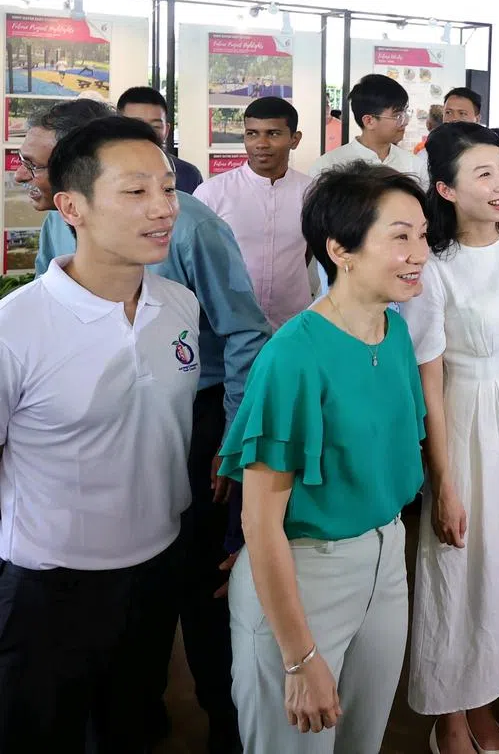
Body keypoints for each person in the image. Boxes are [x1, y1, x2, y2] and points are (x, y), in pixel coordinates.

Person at [33, 103, 270, 753]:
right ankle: (128, 714)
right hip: (102, 427)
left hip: (195, 417)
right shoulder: (56, 234)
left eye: (162, 185)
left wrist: (231, 440)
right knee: (119, 586)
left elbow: (246, 333)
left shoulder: (192, 229)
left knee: (199, 588)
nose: (34, 179)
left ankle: (226, 721)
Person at [0, 116, 200, 752]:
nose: (163, 209)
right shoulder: (17, 326)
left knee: (131, 725)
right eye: (135, 192)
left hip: (156, 566)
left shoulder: (179, 305)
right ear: (72, 208)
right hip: (48, 581)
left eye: (168, 189)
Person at [221, 165, 429, 753]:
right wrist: (298, 655)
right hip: (306, 572)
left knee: (361, 739)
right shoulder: (293, 355)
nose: (418, 253)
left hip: (387, 557)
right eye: (399, 236)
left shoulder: (393, 333)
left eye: (421, 235)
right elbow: (259, 522)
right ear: (340, 249)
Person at [402, 124, 499, 754]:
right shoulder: (432, 266)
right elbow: (428, 379)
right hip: (462, 416)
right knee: (458, 561)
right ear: (445, 188)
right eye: (482, 174)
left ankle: (485, 694)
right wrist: (443, 480)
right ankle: (450, 711)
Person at [194, 97, 313, 331]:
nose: (261, 143)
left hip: (293, 322)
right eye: (252, 134)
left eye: (273, 134)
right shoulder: (213, 193)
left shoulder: (313, 193)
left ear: (295, 139)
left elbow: (308, 250)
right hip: (229, 324)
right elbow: (197, 258)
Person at [310, 74, 428, 190]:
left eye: (406, 113)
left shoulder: (415, 165)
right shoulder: (328, 166)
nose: (405, 122)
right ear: (369, 121)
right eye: (398, 116)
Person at [118, 85, 204, 193]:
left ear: (166, 131)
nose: (146, 132)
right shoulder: (101, 172)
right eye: (136, 125)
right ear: (117, 127)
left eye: (155, 126)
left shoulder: (188, 175)